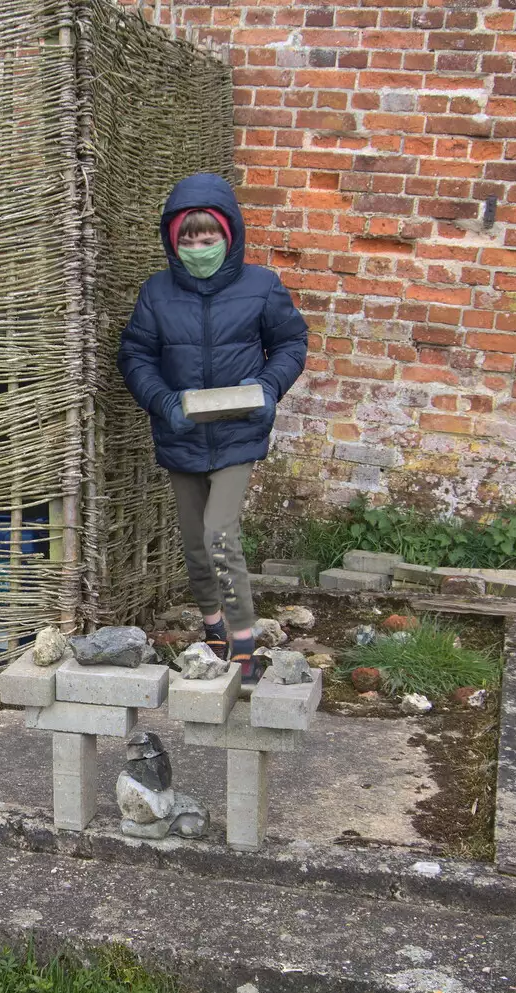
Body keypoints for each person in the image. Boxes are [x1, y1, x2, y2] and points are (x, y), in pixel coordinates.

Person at [117, 172, 309, 683]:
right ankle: (214, 625)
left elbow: (290, 345)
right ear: (173, 241)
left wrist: (267, 387)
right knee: (194, 541)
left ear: (229, 235)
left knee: (219, 531)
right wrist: (163, 402)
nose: (199, 247)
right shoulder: (156, 293)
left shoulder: (261, 286)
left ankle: (244, 641)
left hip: (238, 432)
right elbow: (136, 356)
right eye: (188, 239)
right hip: (180, 433)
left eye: (208, 238)